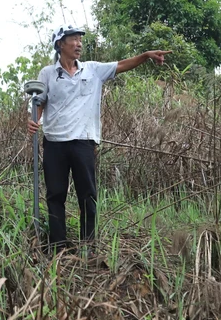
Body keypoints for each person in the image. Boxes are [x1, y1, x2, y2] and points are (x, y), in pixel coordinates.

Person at [27, 25, 170, 252]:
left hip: (83, 142)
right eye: (73, 39)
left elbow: (122, 65)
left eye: (79, 40)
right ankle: (58, 246)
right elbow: (40, 101)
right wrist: (34, 120)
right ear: (60, 44)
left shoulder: (92, 70)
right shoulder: (47, 73)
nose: (79, 43)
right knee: (55, 195)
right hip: (54, 143)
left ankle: (88, 246)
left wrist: (145, 56)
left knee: (88, 195)